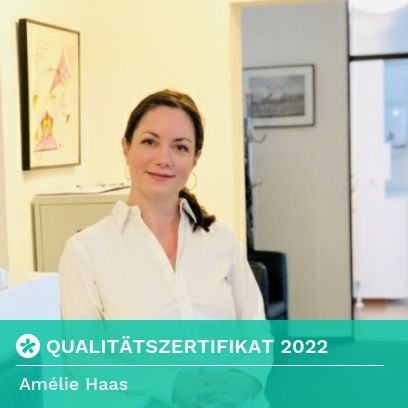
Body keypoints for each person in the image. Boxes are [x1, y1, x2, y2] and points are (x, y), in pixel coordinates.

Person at [59, 89, 267, 407]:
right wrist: (169, 386)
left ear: (195, 157)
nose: (163, 159)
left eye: (180, 147)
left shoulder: (221, 241)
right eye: (149, 142)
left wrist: (247, 378)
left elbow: (256, 330)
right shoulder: (85, 251)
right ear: (126, 147)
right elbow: (85, 361)